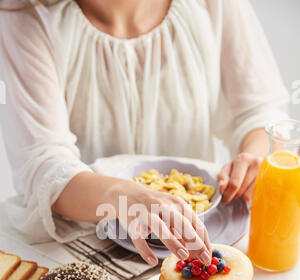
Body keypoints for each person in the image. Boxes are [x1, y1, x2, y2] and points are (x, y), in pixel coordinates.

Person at [0, 0, 289, 266]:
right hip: (88, 251)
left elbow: (260, 112)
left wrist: (253, 157)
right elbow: (42, 167)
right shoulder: (26, 15)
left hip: (200, 245)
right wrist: (124, 197)